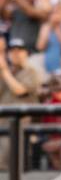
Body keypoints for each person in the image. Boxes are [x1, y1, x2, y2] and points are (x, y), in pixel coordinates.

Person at [0, 37, 41, 169]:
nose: (15, 53)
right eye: (12, 51)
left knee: (11, 167)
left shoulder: (31, 71)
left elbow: (20, 90)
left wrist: (4, 71)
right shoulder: (6, 72)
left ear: (26, 53)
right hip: (3, 125)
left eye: (19, 50)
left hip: (21, 127)